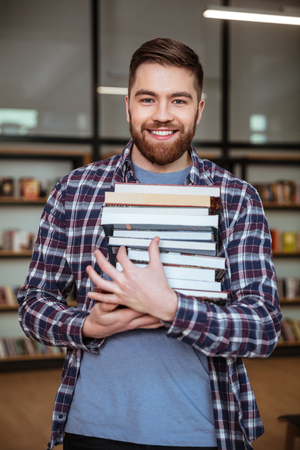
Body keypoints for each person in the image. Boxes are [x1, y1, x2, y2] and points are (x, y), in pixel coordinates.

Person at [18, 38, 281, 450]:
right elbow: (33, 304)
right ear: (127, 105)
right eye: (147, 99)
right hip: (93, 427)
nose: (162, 115)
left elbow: (263, 328)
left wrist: (170, 308)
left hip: (203, 432)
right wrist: (86, 326)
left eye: (178, 100)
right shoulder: (74, 191)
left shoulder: (238, 198)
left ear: (199, 108)